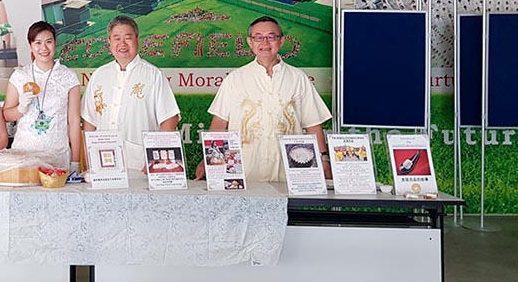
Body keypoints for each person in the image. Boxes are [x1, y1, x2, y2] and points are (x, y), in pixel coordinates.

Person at [195, 16, 332, 183]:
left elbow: (313, 124)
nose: (265, 43)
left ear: (281, 41)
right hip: (244, 173)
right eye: (258, 37)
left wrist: (324, 159)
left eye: (271, 37)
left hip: (288, 173)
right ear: (250, 42)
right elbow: (219, 124)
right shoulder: (235, 79)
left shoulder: (298, 78)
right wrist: (208, 159)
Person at [81, 15, 180, 171]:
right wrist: (89, 162)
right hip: (102, 163)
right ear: (109, 42)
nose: (122, 44)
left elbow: (170, 119)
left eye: (128, 38)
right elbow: (89, 122)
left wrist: (153, 160)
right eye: (116, 38)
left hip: (139, 163)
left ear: (137, 40)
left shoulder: (153, 75)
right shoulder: (99, 75)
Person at [2, 21, 81, 173]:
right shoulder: (19, 75)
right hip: (23, 155)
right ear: (30, 45)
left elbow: (74, 121)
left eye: (48, 42)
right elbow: (6, 115)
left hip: (57, 156)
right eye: (38, 42)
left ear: (55, 44)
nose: (43, 48)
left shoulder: (68, 76)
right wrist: (21, 108)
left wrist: (75, 162)